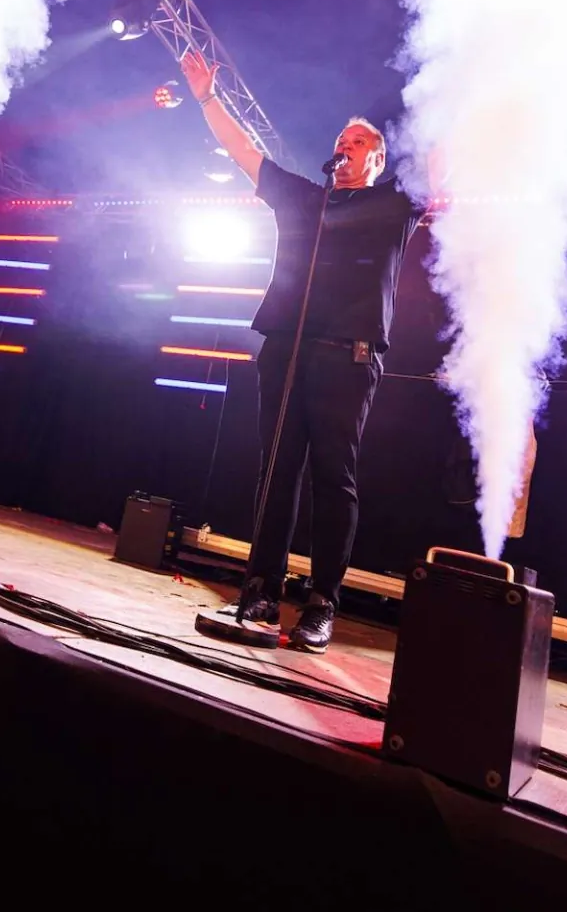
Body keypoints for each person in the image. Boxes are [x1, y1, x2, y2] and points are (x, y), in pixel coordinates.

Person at [180, 51, 423, 654]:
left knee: (332, 477)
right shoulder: (304, 198)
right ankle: (260, 591)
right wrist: (207, 97)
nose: (346, 145)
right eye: (341, 139)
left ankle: (321, 603)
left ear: (378, 159)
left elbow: (445, 167)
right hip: (286, 349)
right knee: (276, 470)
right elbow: (244, 152)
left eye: (359, 141)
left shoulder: (395, 205)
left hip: (349, 356)